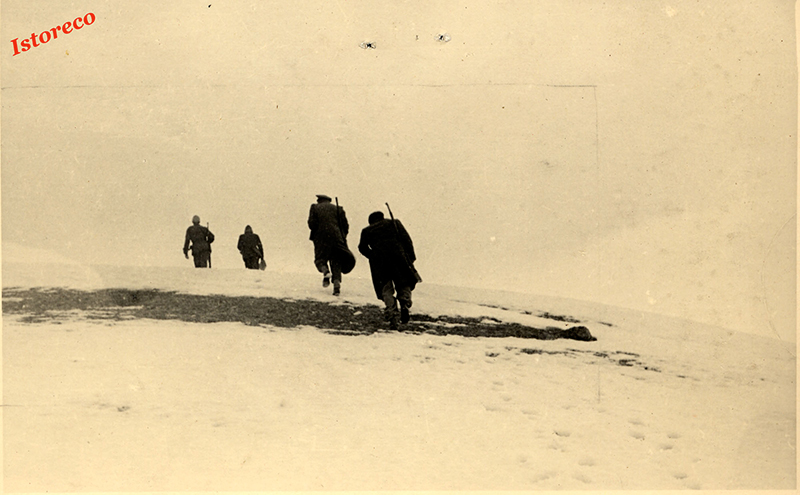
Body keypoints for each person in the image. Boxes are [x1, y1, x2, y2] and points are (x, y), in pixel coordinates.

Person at [358, 211, 418, 329]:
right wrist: (410, 257)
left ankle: (392, 313)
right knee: (403, 282)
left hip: (379, 262)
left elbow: (362, 247)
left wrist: (372, 255)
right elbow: (407, 240)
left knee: (386, 287)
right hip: (398, 257)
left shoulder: (366, 230)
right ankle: (405, 303)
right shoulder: (394, 223)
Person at [307, 194, 349, 295]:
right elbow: (345, 226)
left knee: (320, 259)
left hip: (321, 237)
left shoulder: (315, 207)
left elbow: (311, 224)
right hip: (337, 238)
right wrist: (341, 236)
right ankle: (336, 284)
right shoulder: (339, 209)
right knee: (336, 261)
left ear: (319, 200)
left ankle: (326, 272)